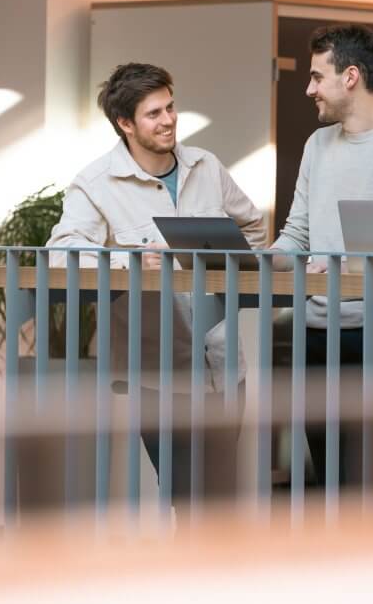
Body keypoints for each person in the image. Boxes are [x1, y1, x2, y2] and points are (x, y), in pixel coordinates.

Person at [46, 62, 267, 503]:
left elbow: (254, 231)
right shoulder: (95, 184)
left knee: (220, 498)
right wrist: (132, 263)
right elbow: (64, 253)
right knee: (187, 495)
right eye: (153, 114)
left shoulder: (206, 166)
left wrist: (227, 266)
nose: (168, 120)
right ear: (125, 124)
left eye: (170, 107)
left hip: (225, 370)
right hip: (160, 377)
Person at [272, 24, 373, 488]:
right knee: (327, 482)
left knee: (369, 484)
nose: (309, 88)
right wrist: (252, 259)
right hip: (312, 332)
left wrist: (339, 264)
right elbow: (296, 234)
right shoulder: (316, 146)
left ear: (351, 76)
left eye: (318, 77)